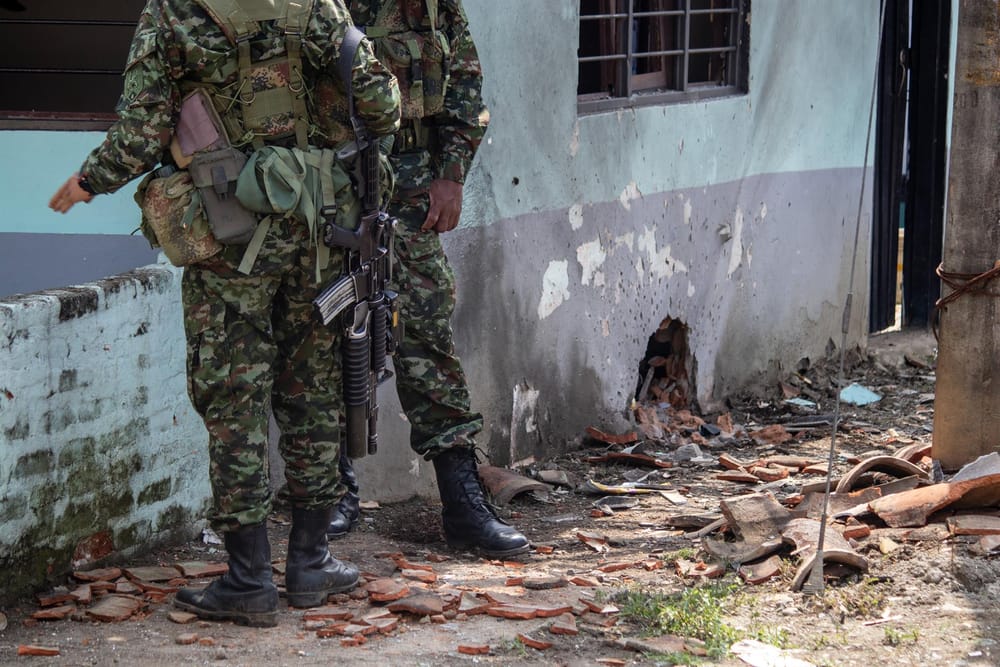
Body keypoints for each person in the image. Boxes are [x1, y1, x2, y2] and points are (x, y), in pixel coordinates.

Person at [49, 0, 400, 627]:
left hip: (226, 232)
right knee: (314, 390)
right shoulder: (316, 5)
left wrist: (87, 182)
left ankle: (247, 580)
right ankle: (310, 564)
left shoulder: (174, 13)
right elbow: (381, 104)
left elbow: (140, 135)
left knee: (233, 398)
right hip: (317, 230)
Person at [325, 0, 530, 559]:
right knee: (319, 336)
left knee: (425, 338)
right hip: (326, 187)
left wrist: (451, 174)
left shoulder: (434, 5)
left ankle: (462, 500)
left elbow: (464, 88)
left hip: (410, 194)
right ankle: (327, 490)